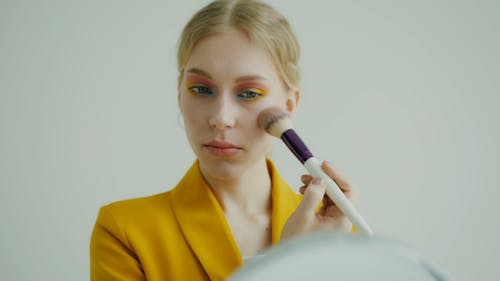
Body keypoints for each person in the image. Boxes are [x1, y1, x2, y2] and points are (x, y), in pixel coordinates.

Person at [90, 0, 356, 280]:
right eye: (201, 89)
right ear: (180, 93)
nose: (221, 118)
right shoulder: (125, 230)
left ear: (289, 104)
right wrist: (288, 263)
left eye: (249, 93)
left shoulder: (328, 229)